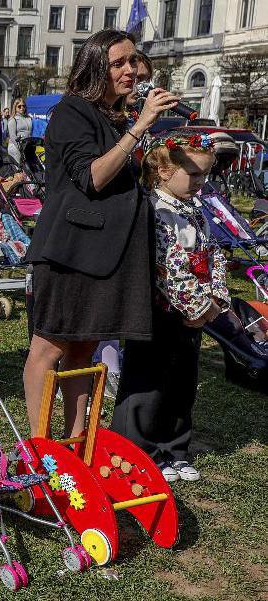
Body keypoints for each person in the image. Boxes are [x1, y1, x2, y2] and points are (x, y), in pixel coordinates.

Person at [22, 29, 180, 436]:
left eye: (132, 61)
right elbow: (92, 177)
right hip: (71, 251)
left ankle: (75, 446)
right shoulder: (72, 110)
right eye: (118, 63)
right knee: (49, 348)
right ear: (97, 68)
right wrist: (140, 127)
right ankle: (41, 449)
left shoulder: (115, 116)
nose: (131, 70)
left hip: (106, 254)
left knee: (82, 348)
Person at [113, 131, 230, 483]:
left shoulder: (196, 209)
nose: (200, 182)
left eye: (204, 174)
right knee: (150, 382)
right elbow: (169, 265)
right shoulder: (156, 210)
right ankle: (140, 449)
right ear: (164, 170)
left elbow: (214, 253)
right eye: (193, 174)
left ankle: (175, 447)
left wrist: (215, 299)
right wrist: (196, 307)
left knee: (183, 380)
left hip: (193, 312)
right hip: (161, 311)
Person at [6, 97, 33, 162]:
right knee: (18, 169)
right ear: (15, 107)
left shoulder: (28, 118)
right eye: (19, 106)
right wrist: (20, 148)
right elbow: (12, 137)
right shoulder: (13, 119)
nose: (22, 108)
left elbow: (30, 132)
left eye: (23, 106)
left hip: (27, 147)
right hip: (16, 148)